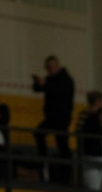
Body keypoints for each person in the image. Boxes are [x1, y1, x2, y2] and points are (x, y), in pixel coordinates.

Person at [31, 54, 74, 183]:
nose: (50, 69)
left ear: (58, 66)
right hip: (52, 117)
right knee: (41, 134)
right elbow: (37, 88)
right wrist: (38, 82)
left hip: (61, 117)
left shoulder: (65, 79)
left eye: (52, 66)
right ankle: (43, 163)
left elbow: (60, 92)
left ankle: (67, 176)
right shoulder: (51, 79)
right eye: (48, 67)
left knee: (62, 144)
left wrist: (45, 84)